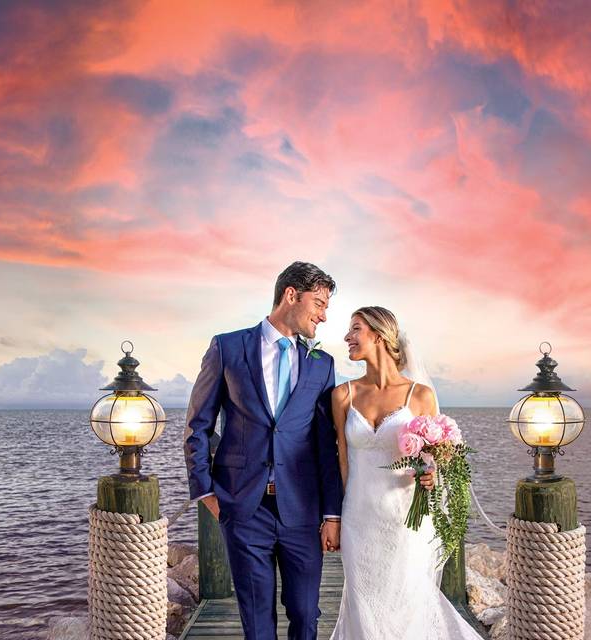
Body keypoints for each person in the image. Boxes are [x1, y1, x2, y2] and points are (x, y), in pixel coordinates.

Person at [184, 261, 344, 640]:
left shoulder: (322, 364)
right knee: (256, 622)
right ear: (291, 295)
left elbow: (326, 444)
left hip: (302, 510)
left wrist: (332, 513)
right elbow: (198, 426)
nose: (324, 315)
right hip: (243, 509)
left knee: (306, 615)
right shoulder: (227, 347)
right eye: (319, 303)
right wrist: (206, 492)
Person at [329, 306, 483, 639]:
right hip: (359, 517)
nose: (347, 337)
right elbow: (341, 459)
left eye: (355, 329)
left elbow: (438, 458)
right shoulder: (342, 395)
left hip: (405, 521)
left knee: (406, 603)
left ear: (379, 335)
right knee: (363, 605)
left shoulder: (421, 396)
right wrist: (337, 518)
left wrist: (432, 475)